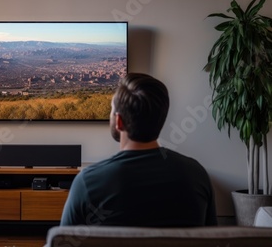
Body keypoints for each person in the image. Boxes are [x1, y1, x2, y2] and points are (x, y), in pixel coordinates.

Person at [60, 73, 217, 227]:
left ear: (119, 122)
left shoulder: (89, 182)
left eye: (111, 110)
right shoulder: (196, 176)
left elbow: (62, 241)